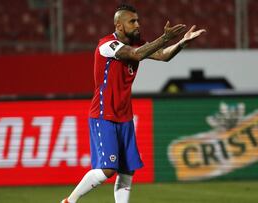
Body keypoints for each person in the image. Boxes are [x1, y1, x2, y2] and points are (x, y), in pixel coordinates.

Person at [61, 4, 205, 203]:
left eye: (137, 20)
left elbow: (163, 56)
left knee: (127, 170)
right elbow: (135, 55)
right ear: (119, 26)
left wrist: (182, 43)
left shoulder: (137, 43)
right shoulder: (107, 45)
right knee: (108, 169)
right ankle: (69, 201)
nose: (138, 24)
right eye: (132, 21)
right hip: (104, 115)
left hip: (124, 116)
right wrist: (164, 37)